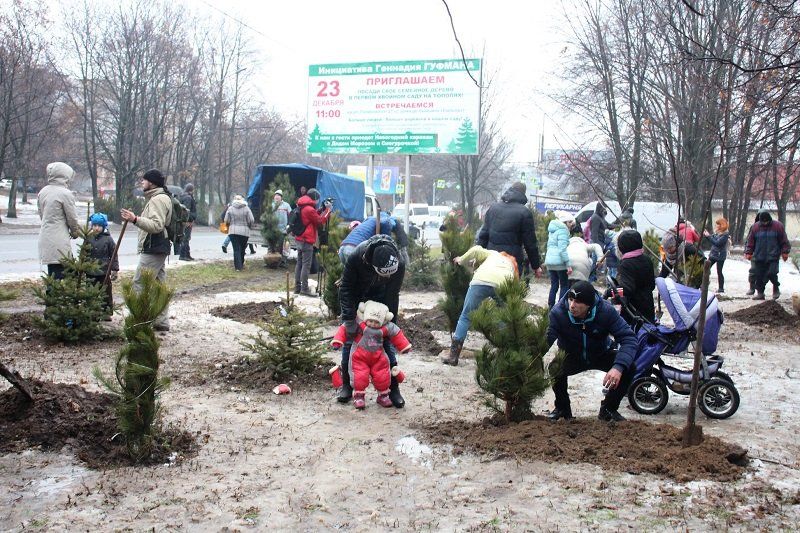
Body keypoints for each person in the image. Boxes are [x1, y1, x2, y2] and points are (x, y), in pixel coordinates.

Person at [546, 280, 638, 422]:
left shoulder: (606, 311)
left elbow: (629, 339)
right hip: (572, 355)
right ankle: (562, 408)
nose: (572, 305)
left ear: (589, 305)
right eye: (570, 299)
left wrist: (618, 367)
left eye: (578, 302)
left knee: (629, 367)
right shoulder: (558, 313)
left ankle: (608, 409)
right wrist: (530, 361)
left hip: (601, 353)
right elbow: (545, 341)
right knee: (554, 368)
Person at [337, 234, 406, 407]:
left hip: (381, 301)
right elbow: (346, 288)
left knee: (386, 344)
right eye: (384, 275)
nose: (387, 279)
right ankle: (347, 385)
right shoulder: (357, 257)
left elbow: (393, 294)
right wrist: (349, 319)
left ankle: (393, 388)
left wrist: (391, 323)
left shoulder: (399, 263)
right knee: (350, 342)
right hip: (357, 298)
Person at [441, 244, 519, 366]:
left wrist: (461, 260)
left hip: (481, 281)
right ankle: (505, 356)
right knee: (503, 319)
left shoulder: (493, 254)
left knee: (466, 316)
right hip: (503, 284)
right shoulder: (511, 264)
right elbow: (515, 288)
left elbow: (476, 249)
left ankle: (453, 356)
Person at [120, 168, 173, 332]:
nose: (142, 182)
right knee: (159, 285)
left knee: (139, 283)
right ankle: (161, 321)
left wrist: (135, 219)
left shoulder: (158, 199)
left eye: (144, 180)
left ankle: (137, 321)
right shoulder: (161, 197)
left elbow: (157, 225)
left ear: (152, 182)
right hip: (159, 246)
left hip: (154, 246)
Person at [331, 300, 411, 409]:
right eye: (371, 321)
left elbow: (396, 333)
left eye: (376, 322)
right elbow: (345, 328)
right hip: (359, 356)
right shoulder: (359, 324)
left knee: (382, 375)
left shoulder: (385, 328)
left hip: (378, 356)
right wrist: (338, 341)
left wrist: (404, 346)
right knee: (359, 375)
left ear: (382, 321)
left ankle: (383, 395)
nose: (373, 324)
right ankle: (359, 396)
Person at [476, 182, 542, 277]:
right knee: (509, 286)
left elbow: (483, 235)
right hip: (511, 261)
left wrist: (477, 256)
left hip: (491, 259)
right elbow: (530, 243)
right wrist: (536, 266)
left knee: (491, 283)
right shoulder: (524, 212)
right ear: (523, 193)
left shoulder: (493, 208)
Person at [38, 162, 81, 280]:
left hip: (45, 236)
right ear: (65, 175)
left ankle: (51, 291)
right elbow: (72, 218)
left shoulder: (43, 192)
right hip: (60, 239)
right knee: (67, 274)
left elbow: (41, 214)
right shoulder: (65, 193)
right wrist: (75, 232)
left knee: (52, 272)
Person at [609, 230, 655, 326]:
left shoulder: (626, 264)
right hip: (648, 305)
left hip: (634, 309)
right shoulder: (647, 259)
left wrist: (611, 291)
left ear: (621, 247)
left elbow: (627, 289)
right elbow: (652, 285)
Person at [745, 209, 790, 300]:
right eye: (763, 222)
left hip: (773, 256)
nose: (765, 223)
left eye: (767, 222)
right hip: (759, 256)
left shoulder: (778, 226)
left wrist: (785, 252)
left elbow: (784, 240)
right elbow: (750, 241)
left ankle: (776, 288)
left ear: (770, 219)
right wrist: (749, 252)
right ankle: (760, 293)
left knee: (772, 273)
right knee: (759, 276)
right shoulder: (755, 227)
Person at [294, 188, 331, 296]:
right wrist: (328, 211)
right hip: (307, 240)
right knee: (306, 265)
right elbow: (319, 221)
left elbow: (312, 216)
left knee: (299, 264)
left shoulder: (302, 205)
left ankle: (297, 287)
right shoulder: (309, 209)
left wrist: (321, 209)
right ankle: (304, 289)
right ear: (314, 198)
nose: (318, 201)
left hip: (299, 239)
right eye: (317, 199)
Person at [338, 212, 409, 265]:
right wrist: (386, 242)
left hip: (342, 248)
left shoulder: (369, 220)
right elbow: (385, 223)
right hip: (353, 248)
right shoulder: (386, 220)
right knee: (361, 276)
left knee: (349, 277)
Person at [86, 213, 118, 318]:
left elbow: (113, 254)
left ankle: (106, 312)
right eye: (94, 225)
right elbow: (83, 253)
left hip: (104, 271)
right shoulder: (88, 238)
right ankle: (92, 311)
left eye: (99, 226)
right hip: (90, 271)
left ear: (103, 226)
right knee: (90, 291)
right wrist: (82, 267)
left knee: (106, 292)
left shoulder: (108, 239)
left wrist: (115, 269)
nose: (96, 228)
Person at [544, 211, 573, 308]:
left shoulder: (552, 229)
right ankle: (561, 307)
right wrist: (568, 264)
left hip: (550, 261)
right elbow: (562, 250)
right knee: (564, 285)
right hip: (560, 263)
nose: (571, 224)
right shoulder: (563, 231)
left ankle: (551, 307)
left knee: (554, 285)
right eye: (569, 222)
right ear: (564, 222)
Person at [224, 195, 255, 271]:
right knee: (242, 249)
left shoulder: (230, 208)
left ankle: (238, 267)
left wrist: (229, 225)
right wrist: (249, 226)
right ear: (242, 200)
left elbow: (226, 220)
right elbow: (251, 220)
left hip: (233, 232)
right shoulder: (246, 208)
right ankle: (241, 263)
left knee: (236, 249)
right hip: (244, 232)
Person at [705, 217, 730, 293]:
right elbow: (712, 240)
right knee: (705, 269)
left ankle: (721, 288)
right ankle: (703, 285)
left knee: (719, 271)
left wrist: (708, 236)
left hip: (720, 255)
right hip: (713, 254)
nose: (716, 226)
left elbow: (717, 243)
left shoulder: (725, 235)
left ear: (722, 225)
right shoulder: (718, 233)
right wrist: (707, 236)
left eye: (718, 224)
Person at [178, 183, 197, 261]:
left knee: (186, 238)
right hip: (187, 221)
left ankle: (187, 255)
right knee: (185, 238)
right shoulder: (188, 198)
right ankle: (184, 256)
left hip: (185, 221)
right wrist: (189, 220)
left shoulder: (184, 196)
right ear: (191, 190)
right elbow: (187, 210)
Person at [272, 190, 291, 255]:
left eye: (278, 195)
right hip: (273, 230)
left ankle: (281, 259)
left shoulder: (286, 205)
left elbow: (291, 215)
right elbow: (268, 217)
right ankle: (272, 259)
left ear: (281, 197)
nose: (277, 197)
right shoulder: (271, 205)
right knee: (272, 247)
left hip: (283, 230)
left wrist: (289, 225)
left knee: (281, 247)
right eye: (275, 195)